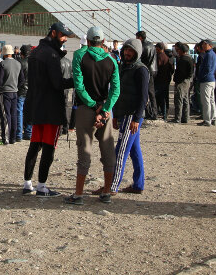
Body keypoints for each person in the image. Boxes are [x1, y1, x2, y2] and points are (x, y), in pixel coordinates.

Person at [65, 26, 119, 205]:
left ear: (87, 41)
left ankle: (79, 194)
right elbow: (116, 89)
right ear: (103, 42)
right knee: (108, 150)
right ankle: (106, 191)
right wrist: (105, 109)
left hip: (85, 109)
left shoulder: (80, 56)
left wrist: (94, 106)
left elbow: (79, 86)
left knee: (84, 150)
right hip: (104, 110)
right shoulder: (112, 60)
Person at [22, 22, 76, 197]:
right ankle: (42, 186)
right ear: (53, 33)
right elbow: (57, 83)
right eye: (63, 35)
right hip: (51, 108)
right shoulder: (52, 55)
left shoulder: (36, 51)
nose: (65, 38)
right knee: (49, 147)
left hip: (36, 105)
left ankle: (27, 183)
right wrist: (76, 80)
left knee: (34, 145)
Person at [110, 38, 149, 194]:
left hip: (132, 116)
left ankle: (112, 186)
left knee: (120, 151)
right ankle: (138, 184)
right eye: (126, 49)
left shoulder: (141, 70)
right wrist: (115, 115)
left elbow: (143, 97)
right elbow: (120, 93)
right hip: (123, 114)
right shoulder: (124, 67)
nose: (127, 53)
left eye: (131, 50)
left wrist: (136, 119)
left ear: (137, 52)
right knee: (134, 150)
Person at [0, 44, 24, 145]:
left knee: (6, 115)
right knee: (14, 115)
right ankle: (13, 138)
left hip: (5, 92)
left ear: (4, 54)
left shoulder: (3, 64)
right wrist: (16, 86)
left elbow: (0, 80)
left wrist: (0, 89)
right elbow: (22, 79)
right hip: (15, 92)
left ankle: (6, 138)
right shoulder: (18, 64)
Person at [136, 31, 158, 120]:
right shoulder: (151, 45)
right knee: (151, 92)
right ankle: (153, 112)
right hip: (154, 69)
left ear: (140, 37)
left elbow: (141, 59)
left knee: (147, 91)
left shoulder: (142, 46)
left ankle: (151, 112)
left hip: (147, 70)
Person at [195, 40, 216, 126]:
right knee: (211, 100)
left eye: (205, 44)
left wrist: (200, 77)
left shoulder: (208, 55)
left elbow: (207, 68)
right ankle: (213, 117)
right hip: (211, 79)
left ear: (210, 45)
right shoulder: (212, 54)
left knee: (206, 101)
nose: (203, 46)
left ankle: (207, 120)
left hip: (206, 80)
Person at [171, 42, 194, 123]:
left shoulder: (183, 60)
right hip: (187, 81)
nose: (177, 52)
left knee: (179, 100)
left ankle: (178, 118)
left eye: (178, 50)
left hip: (181, 81)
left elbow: (181, 72)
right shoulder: (190, 58)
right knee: (185, 99)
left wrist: (177, 79)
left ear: (181, 50)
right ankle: (186, 118)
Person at [154, 42, 174, 119]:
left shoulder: (158, 57)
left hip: (159, 80)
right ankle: (164, 114)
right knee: (164, 98)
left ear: (158, 48)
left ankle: (159, 114)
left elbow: (156, 68)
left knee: (158, 98)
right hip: (165, 80)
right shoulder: (166, 57)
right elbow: (171, 69)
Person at [16, 44, 31, 141]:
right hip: (32, 90)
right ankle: (29, 132)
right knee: (29, 112)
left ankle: (18, 134)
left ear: (22, 53)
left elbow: (18, 77)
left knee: (19, 112)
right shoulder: (35, 62)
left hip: (21, 89)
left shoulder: (19, 63)